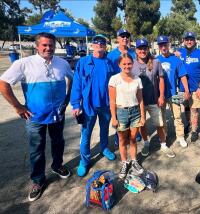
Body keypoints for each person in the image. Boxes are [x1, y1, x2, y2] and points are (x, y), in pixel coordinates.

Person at [0, 32, 72, 201]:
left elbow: (72, 79)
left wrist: (67, 99)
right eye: (44, 45)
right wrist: (17, 106)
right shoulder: (23, 63)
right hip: (35, 116)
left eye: (51, 45)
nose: (48, 48)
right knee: (37, 149)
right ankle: (38, 180)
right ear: (37, 46)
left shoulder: (62, 63)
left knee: (58, 142)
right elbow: (3, 83)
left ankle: (57, 166)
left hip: (57, 114)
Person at [70, 34, 116, 177]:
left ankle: (104, 148)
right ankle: (84, 161)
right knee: (86, 134)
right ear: (92, 45)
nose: (99, 44)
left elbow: (115, 83)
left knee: (104, 129)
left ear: (105, 45)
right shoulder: (83, 62)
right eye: (96, 42)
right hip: (89, 105)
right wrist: (76, 104)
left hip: (106, 105)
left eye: (102, 42)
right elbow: (76, 83)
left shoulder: (109, 63)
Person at [132, 38, 175, 158]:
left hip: (153, 100)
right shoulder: (132, 63)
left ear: (148, 49)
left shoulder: (155, 62)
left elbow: (161, 79)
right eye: (140, 48)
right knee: (142, 124)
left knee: (159, 124)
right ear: (136, 50)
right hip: (139, 102)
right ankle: (146, 143)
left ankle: (163, 144)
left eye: (144, 48)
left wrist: (161, 96)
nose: (142, 50)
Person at [109, 54, 145, 179]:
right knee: (122, 140)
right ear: (119, 65)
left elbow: (140, 99)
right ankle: (125, 162)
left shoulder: (137, 79)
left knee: (133, 138)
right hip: (121, 113)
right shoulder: (114, 79)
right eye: (124, 64)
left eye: (129, 63)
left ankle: (134, 161)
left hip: (135, 112)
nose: (127, 66)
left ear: (132, 64)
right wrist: (114, 117)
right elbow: (112, 101)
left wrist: (142, 116)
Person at [156, 35, 190, 148]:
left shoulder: (176, 59)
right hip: (160, 95)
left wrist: (186, 90)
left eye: (165, 44)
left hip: (173, 93)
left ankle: (180, 137)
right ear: (159, 47)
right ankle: (163, 139)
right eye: (161, 45)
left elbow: (183, 76)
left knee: (177, 116)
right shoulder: (156, 60)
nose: (163, 47)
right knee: (161, 118)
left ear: (168, 45)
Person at [177, 32, 200, 142]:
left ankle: (194, 130)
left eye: (191, 39)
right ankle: (189, 124)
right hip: (182, 88)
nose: (189, 41)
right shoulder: (180, 52)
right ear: (184, 40)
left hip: (196, 88)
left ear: (195, 41)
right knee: (186, 108)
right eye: (187, 39)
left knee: (194, 110)